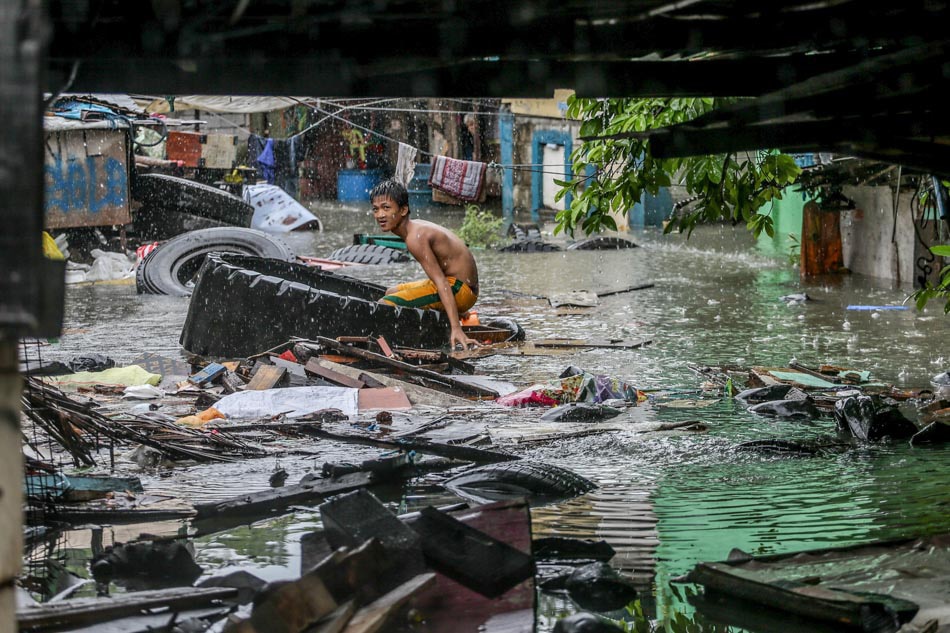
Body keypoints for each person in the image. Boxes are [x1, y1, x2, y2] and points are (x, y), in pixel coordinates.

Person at [372, 179, 482, 350]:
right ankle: (442, 321)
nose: (380, 215)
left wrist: (456, 328)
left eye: (386, 208)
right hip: (459, 285)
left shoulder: (414, 238)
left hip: (460, 290)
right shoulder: (414, 227)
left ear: (403, 210)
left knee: (384, 304)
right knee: (391, 292)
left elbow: (441, 282)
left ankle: (409, 344)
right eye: (376, 209)